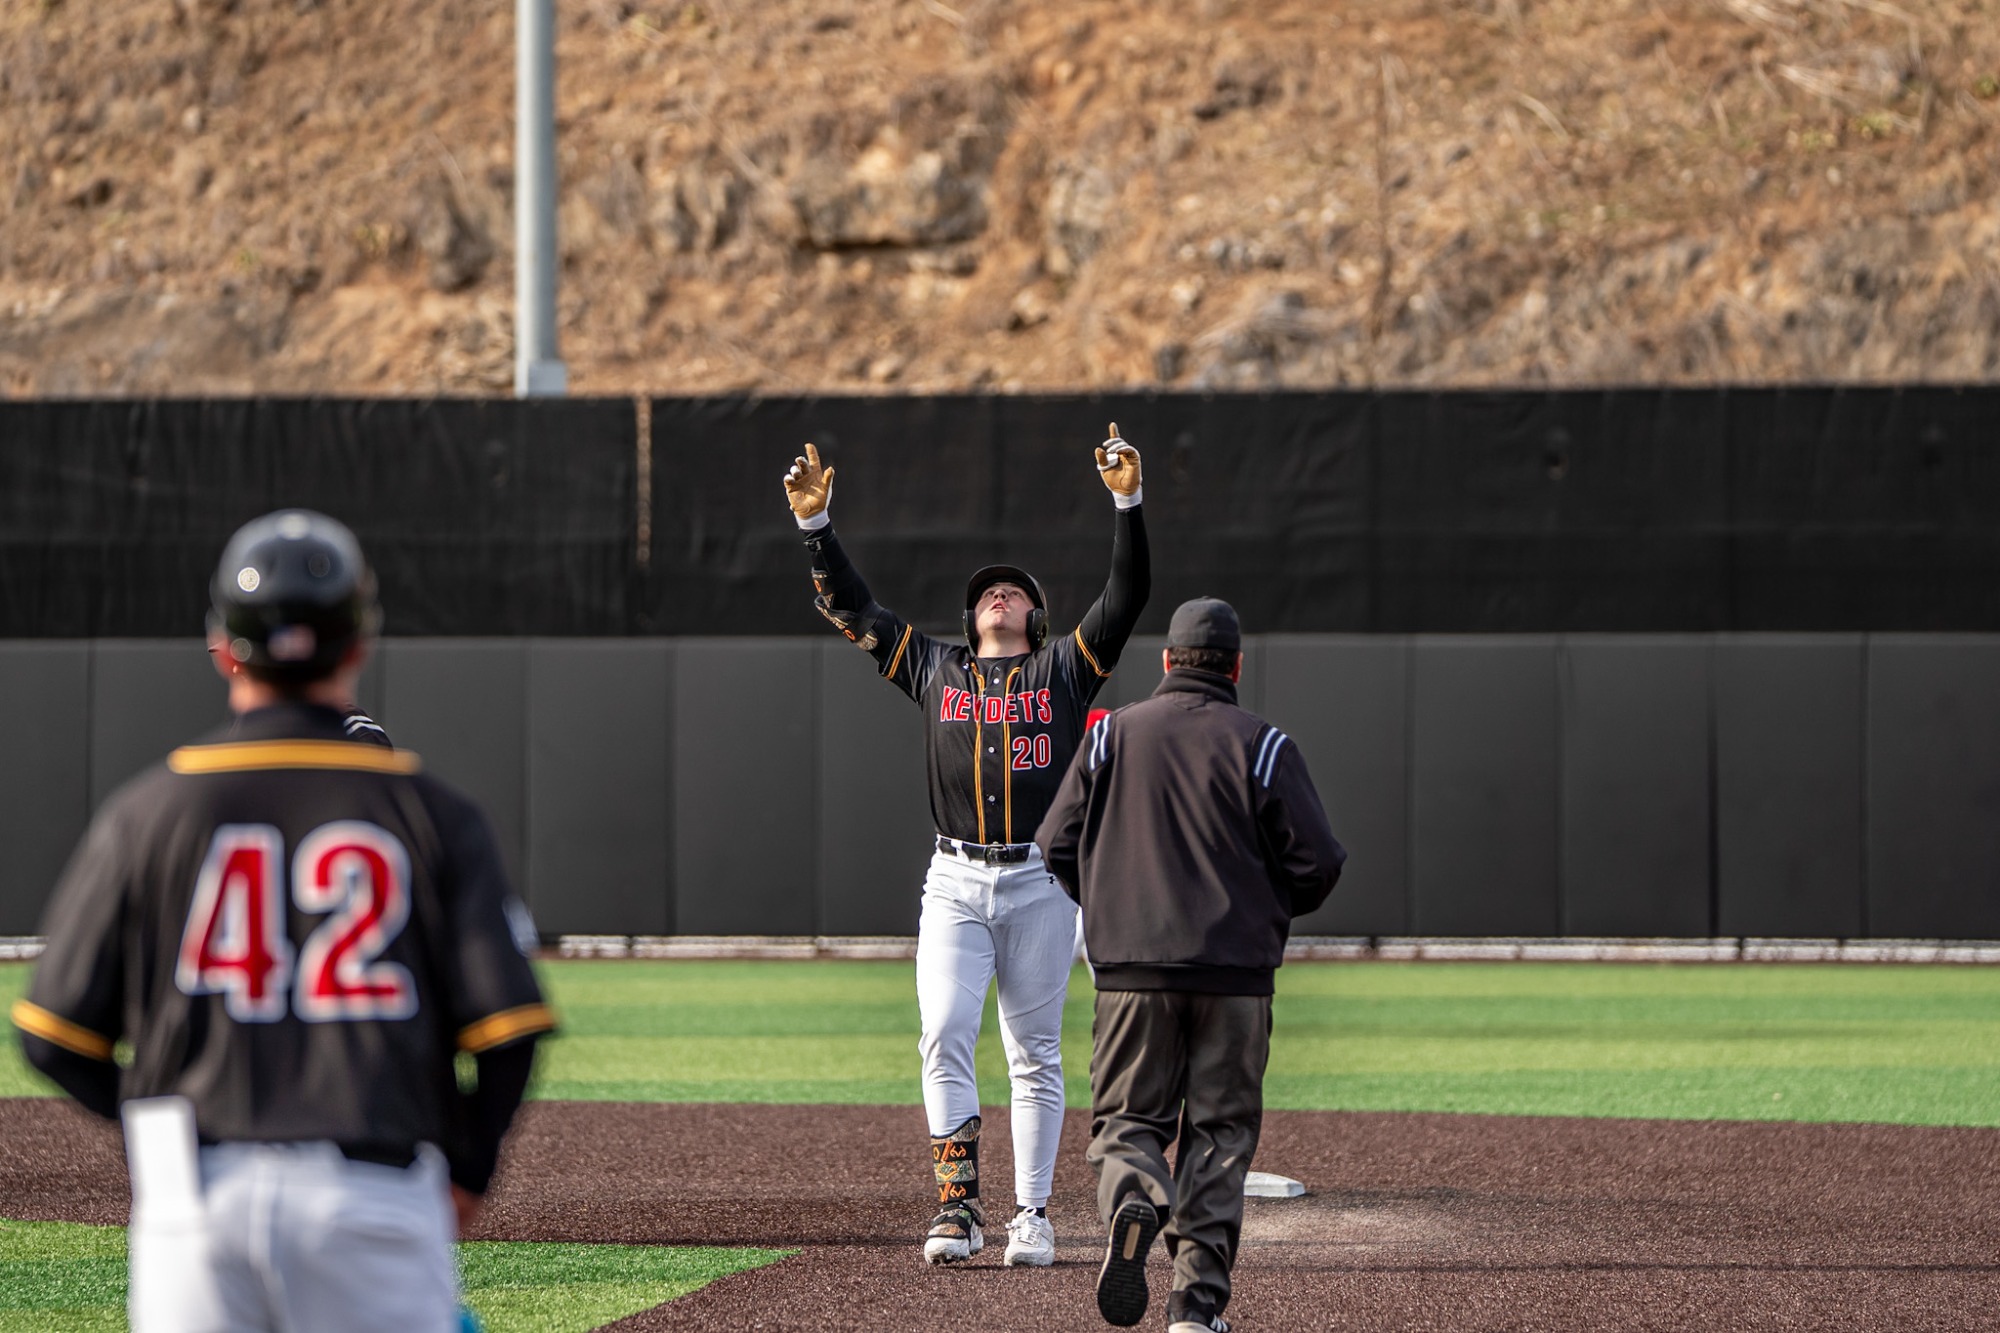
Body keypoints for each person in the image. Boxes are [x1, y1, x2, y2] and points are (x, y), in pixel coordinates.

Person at [11, 509, 554, 1333]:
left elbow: (51, 1033)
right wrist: (469, 1169)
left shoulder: (148, 811)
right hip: (371, 1190)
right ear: (360, 642)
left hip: (195, 1200)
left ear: (223, 646)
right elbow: (509, 1029)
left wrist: (156, 1123)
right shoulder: (428, 810)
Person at [783, 427, 1150, 1267]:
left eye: (1014, 592)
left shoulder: (1065, 670)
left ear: (1037, 615)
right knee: (943, 1029)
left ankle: (1032, 1215)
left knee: (1035, 1050)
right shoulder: (935, 670)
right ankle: (957, 1208)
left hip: (1041, 882)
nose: (999, 597)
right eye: (988, 592)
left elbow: (1126, 599)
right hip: (953, 878)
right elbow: (855, 608)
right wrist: (818, 528)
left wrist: (1127, 504)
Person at [1036, 597, 1346, 1333]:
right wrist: (1258, 910)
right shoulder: (1264, 744)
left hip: (1133, 974)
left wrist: (1112, 904)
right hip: (1235, 975)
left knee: (1125, 1123)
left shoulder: (1110, 735)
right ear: (1237, 667)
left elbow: (1055, 844)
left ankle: (1138, 1192)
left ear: (1167, 661)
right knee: (1220, 1135)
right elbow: (1320, 865)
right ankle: (1193, 1307)